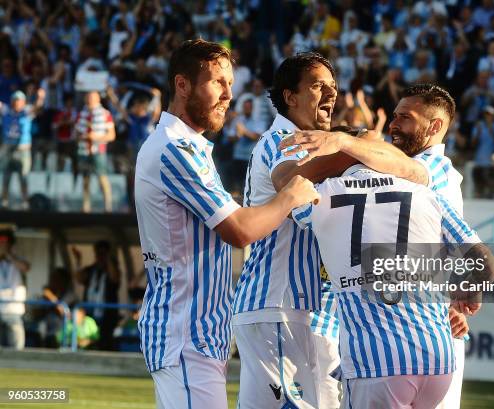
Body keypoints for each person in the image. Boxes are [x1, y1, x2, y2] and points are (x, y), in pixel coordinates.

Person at [134, 39, 319, 409]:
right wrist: (290, 195)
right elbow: (238, 230)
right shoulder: (174, 148)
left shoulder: (185, 146)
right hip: (185, 334)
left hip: (195, 335)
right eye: (218, 82)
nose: (228, 95)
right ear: (182, 85)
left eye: (231, 84)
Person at [279, 83, 475, 409]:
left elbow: (288, 184)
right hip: (413, 335)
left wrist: (343, 142)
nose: (394, 126)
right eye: (394, 116)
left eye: (405, 118)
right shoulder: (398, 170)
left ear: (435, 126)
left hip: (414, 337)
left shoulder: (432, 171)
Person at [290, 163, 494, 409]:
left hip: (377, 362)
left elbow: (288, 196)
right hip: (437, 360)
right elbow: (486, 263)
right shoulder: (426, 193)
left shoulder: (322, 192)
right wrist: (470, 289)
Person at [0, 89, 45, 209]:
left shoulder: (26, 112)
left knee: (23, 177)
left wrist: (40, 98)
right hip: (8, 148)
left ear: (23, 102)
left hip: (22, 149)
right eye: (15, 101)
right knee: (6, 176)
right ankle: (4, 200)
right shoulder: (6, 111)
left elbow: (36, 108)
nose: (17, 103)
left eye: (19, 101)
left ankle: (25, 201)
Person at [73, 241, 121, 351]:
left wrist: (108, 259)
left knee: (105, 341)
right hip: (90, 314)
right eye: (98, 254)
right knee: (88, 340)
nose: (100, 257)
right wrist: (78, 260)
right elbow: (79, 278)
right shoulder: (92, 269)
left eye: (103, 254)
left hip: (107, 315)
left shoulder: (112, 270)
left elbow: (115, 278)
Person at [74, 90, 116, 213]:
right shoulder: (81, 114)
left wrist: (95, 137)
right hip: (84, 151)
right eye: (88, 98)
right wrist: (83, 137)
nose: (90, 100)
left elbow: (111, 136)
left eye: (92, 98)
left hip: (99, 150)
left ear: (98, 99)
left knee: (102, 177)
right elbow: (76, 134)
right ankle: (86, 207)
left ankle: (108, 206)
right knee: (85, 178)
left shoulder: (105, 114)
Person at [0, 228, 30, 350]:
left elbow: (26, 268)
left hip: (13, 310)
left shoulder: (17, 259)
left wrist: (8, 255)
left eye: (4, 242)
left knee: (16, 348)